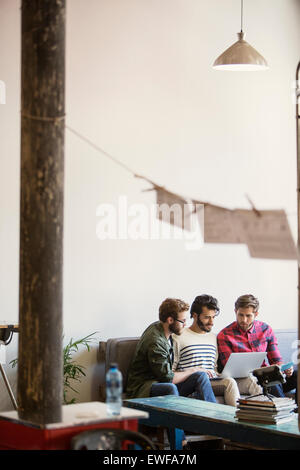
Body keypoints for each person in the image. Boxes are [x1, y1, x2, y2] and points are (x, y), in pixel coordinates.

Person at [126, 297, 217, 403]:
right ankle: (177, 418)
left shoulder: (164, 329)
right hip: (143, 388)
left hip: (160, 382)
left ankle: (212, 415)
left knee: (200, 376)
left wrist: (196, 371)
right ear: (170, 320)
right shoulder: (155, 342)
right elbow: (168, 378)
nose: (185, 324)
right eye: (182, 321)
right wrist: (194, 369)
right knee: (170, 388)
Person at [217, 294, 297, 400]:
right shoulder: (225, 335)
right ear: (235, 311)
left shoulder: (266, 330)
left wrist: (286, 369)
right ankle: (283, 412)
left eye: (248, 316)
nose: (244, 320)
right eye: (240, 315)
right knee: (270, 381)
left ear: (256, 314)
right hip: (247, 380)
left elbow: (276, 360)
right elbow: (230, 369)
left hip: (269, 376)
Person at [172, 294, 240, 406]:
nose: (211, 322)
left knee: (237, 381)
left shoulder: (213, 337)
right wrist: (194, 371)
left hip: (212, 382)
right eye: (207, 317)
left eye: (213, 317)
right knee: (229, 383)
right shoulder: (179, 336)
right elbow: (171, 372)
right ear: (194, 315)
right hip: (190, 383)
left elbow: (214, 368)